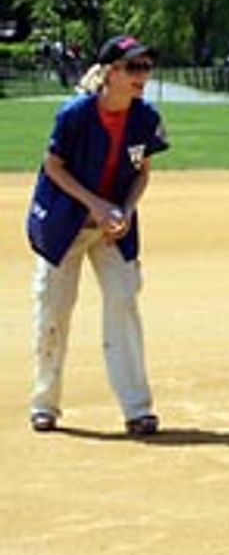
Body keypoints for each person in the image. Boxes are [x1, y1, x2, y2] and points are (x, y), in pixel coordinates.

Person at [26, 35, 170, 435]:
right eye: (134, 67)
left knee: (123, 302)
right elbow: (53, 166)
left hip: (113, 229)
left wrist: (123, 210)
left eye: (146, 67)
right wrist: (95, 204)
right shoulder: (75, 113)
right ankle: (45, 404)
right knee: (54, 310)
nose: (143, 75)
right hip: (65, 224)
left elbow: (141, 173)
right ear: (111, 72)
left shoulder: (144, 117)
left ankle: (137, 409)